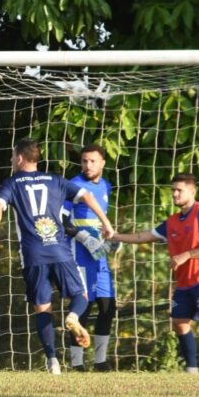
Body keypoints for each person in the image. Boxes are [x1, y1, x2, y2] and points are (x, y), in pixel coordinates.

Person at [0, 138, 114, 375]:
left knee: (43, 307)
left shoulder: (12, 182)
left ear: (20, 158)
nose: (11, 159)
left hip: (33, 254)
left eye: (13, 155)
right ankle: (73, 316)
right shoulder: (55, 179)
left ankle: (52, 361)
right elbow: (87, 196)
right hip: (60, 250)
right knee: (80, 295)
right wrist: (106, 223)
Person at [111, 173, 199, 375]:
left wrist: (186, 255)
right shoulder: (172, 221)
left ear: (192, 192)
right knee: (179, 322)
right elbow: (143, 236)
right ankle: (191, 370)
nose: (175, 194)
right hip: (184, 281)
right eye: (173, 190)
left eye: (179, 190)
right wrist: (115, 236)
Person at [62, 144, 117, 371]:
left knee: (108, 306)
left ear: (102, 162)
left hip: (99, 254)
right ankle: (77, 364)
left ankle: (100, 362)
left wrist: (109, 239)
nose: (88, 165)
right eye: (84, 161)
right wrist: (83, 237)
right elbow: (62, 220)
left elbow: (101, 220)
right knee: (83, 306)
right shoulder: (73, 185)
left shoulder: (106, 186)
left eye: (92, 161)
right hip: (80, 255)